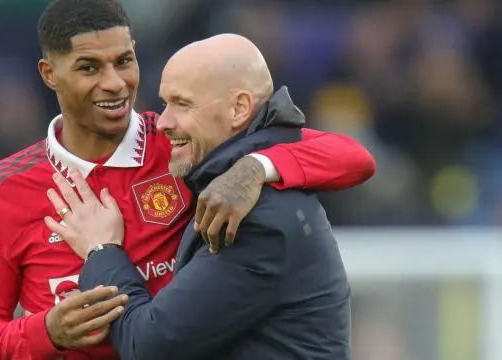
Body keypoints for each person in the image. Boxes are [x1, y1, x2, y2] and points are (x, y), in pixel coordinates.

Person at [0, 0, 374, 359]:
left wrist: (254, 169)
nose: (114, 83)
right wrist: (46, 333)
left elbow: (351, 156)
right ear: (50, 74)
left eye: (124, 61)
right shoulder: (2, 191)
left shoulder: (183, 147)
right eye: (89, 67)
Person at [46, 34, 353, 360]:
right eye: (165, 103)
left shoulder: (252, 216)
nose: (163, 122)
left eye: (182, 103)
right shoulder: (243, 183)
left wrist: (101, 249)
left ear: (239, 108)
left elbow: (148, 346)